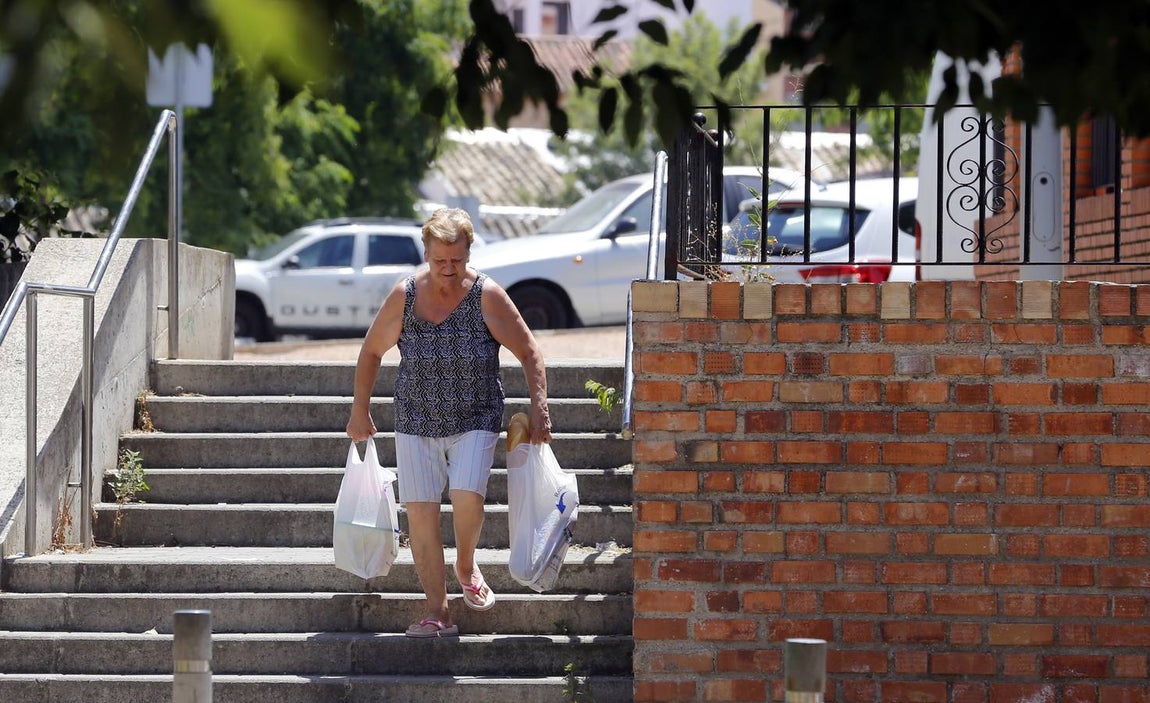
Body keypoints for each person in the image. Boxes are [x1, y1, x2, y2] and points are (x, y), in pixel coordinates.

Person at [346, 207, 552, 638]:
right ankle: (438, 613)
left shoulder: (486, 295)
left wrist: (540, 408)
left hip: (474, 416)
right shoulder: (404, 295)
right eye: (439, 260)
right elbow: (370, 351)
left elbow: (529, 351)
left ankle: (465, 563)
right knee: (420, 516)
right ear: (426, 252)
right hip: (416, 418)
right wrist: (359, 409)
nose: (448, 269)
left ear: (468, 253)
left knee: (466, 498)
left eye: (456, 261)